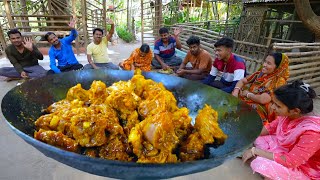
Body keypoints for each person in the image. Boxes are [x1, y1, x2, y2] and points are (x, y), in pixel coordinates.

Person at [242, 80, 320, 180]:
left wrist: (255, 151)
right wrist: (245, 133)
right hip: (288, 150)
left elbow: (291, 161)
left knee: (262, 165)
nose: (273, 107)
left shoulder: (312, 133)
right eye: (273, 103)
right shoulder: (287, 115)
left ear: (295, 110)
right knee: (258, 138)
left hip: (305, 167)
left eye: (278, 106)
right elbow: (269, 128)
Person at [232, 53, 289, 124]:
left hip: (261, 106)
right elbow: (243, 81)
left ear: (277, 67)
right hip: (251, 98)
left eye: (269, 63)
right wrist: (236, 91)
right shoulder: (261, 73)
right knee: (232, 99)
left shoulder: (279, 80)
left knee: (246, 112)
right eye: (265, 61)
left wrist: (248, 94)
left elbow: (263, 99)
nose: (264, 65)